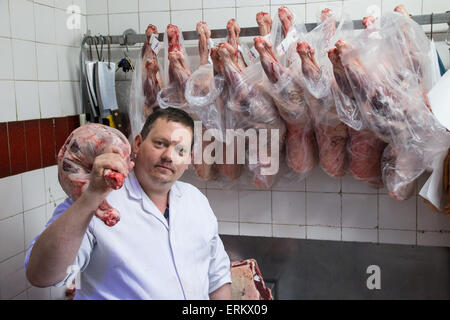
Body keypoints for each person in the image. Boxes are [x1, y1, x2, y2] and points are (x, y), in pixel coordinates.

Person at [25, 107, 232, 300]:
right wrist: (90, 198)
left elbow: (217, 278)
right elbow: (41, 275)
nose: (169, 156)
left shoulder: (196, 201)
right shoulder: (97, 198)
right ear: (138, 143)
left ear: (189, 160)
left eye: (180, 150)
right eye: (160, 143)